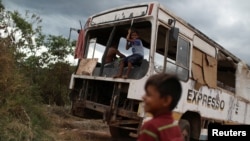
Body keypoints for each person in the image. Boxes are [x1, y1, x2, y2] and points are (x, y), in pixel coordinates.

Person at [137, 73, 184, 141]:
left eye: (148, 94)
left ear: (166, 100)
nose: (143, 97)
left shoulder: (151, 127)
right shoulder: (174, 126)